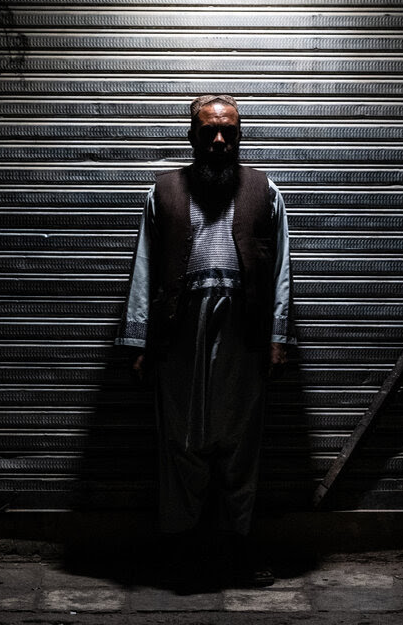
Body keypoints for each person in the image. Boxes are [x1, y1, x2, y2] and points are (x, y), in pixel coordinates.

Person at [115, 93, 293, 586]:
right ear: (192, 136)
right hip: (180, 329)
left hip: (243, 330)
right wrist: (140, 342)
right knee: (182, 438)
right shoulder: (165, 192)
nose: (219, 140)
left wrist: (278, 337)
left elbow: (281, 270)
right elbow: (145, 269)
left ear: (239, 136)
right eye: (210, 131)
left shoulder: (263, 190)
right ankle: (180, 553)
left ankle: (235, 550)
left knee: (239, 441)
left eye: (228, 132)